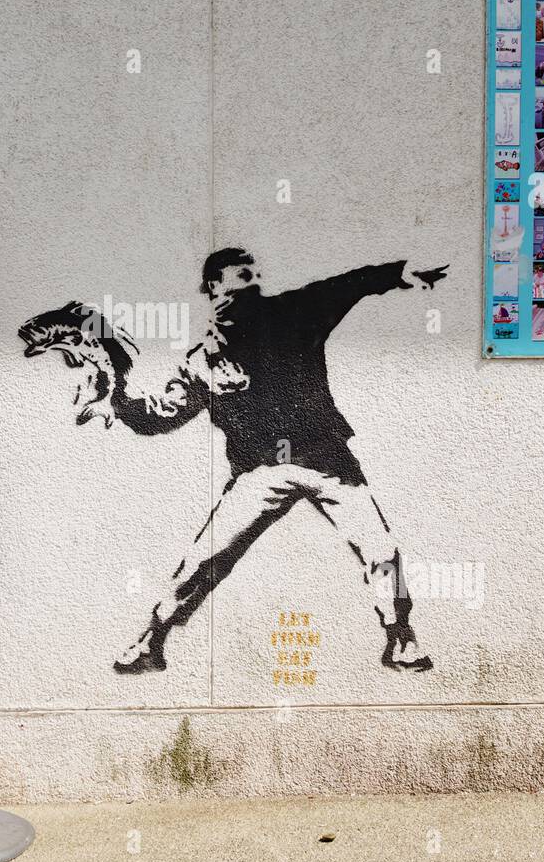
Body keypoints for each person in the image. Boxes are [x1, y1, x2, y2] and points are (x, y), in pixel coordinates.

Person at [112, 248, 449, 676]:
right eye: (238, 279)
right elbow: (164, 414)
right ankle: (152, 638)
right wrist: (120, 405)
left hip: (327, 461)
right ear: (213, 288)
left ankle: (400, 637)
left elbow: (350, 284)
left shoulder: (295, 312)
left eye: (253, 279)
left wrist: (399, 273)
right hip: (261, 471)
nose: (248, 286)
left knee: (380, 548)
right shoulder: (202, 359)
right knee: (204, 560)